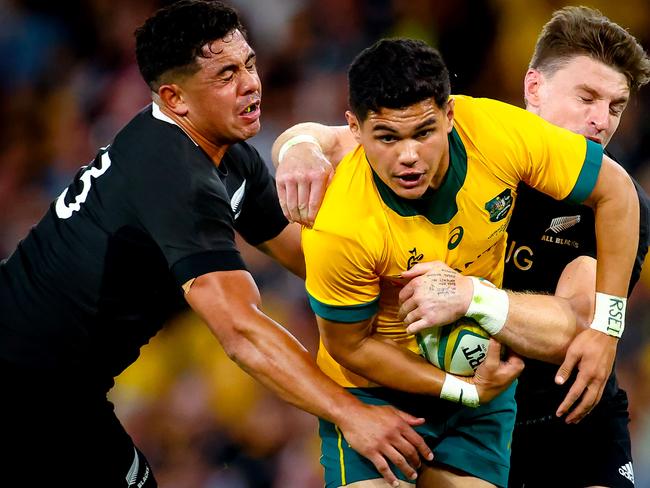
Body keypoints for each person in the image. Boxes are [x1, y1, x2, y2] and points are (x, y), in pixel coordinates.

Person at [0, 2, 440, 486]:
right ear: (175, 97)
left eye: (249, 63)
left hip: (55, 388)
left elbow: (306, 256)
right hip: (25, 388)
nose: (251, 82)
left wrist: (412, 294)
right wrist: (351, 414)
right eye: (226, 74)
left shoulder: (229, 159)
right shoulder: (174, 176)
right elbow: (240, 331)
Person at [272, 37, 639, 487]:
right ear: (356, 128)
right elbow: (351, 346)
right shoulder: (340, 225)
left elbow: (615, 196)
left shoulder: (499, 137)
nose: (408, 156)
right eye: (387, 137)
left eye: (424, 132)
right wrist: (297, 143)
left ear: (449, 116)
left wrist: (607, 327)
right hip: (381, 389)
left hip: (510, 392)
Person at [499, 7, 650, 487]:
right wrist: (301, 149)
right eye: (587, 98)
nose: (601, 121)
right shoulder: (473, 152)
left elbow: (580, 322)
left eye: (615, 106)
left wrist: (468, 298)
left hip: (574, 421)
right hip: (467, 421)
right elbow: (338, 136)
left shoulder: (621, 202)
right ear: (533, 87)